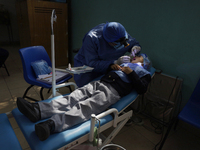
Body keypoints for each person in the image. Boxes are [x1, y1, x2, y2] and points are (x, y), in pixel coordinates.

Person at [16, 53, 152, 141]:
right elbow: (108, 71)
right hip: (99, 83)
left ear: (145, 62)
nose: (134, 55)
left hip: (112, 92)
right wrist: (112, 66)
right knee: (72, 97)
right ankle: (37, 110)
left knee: (85, 107)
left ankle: (51, 125)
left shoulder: (144, 73)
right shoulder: (124, 63)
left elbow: (142, 89)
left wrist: (131, 73)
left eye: (139, 56)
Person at [74, 22, 141, 87]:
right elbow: (92, 63)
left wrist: (135, 47)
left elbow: (132, 43)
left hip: (110, 70)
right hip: (88, 70)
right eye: (116, 43)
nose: (121, 44)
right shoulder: (92, 38)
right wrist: (115, 62)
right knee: (87, 90)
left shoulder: (120, 33)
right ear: (107, 40)